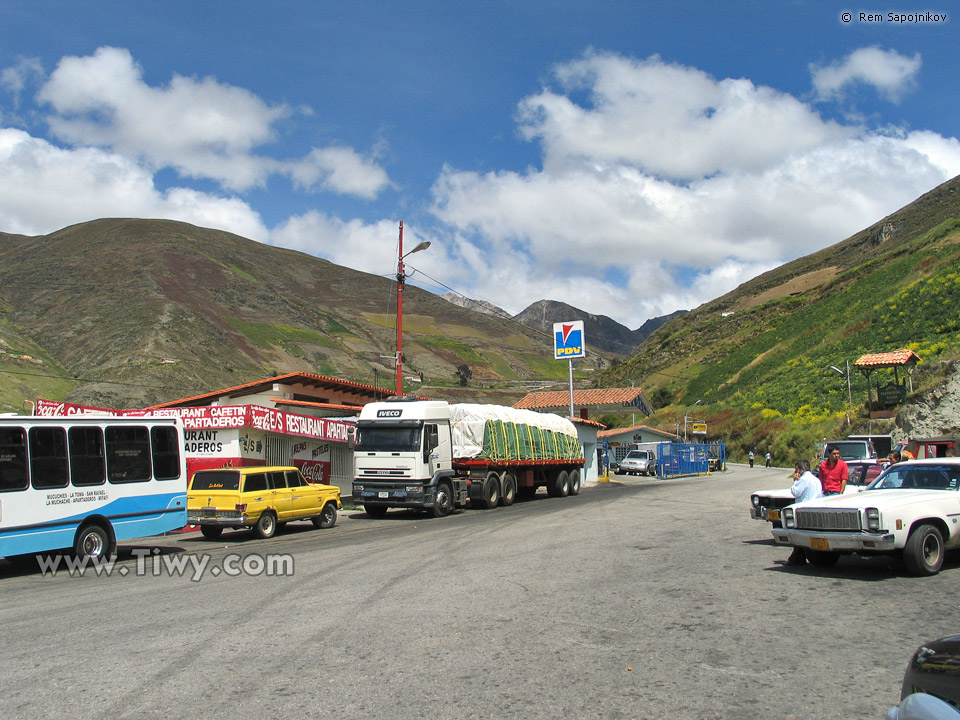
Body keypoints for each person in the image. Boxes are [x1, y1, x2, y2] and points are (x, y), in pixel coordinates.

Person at [785, 459, 823, 566]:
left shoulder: (804, 479)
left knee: (799, 535)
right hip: (814, 508)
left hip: (803, 508)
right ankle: (797, 557)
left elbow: (795, 492)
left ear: (803, 469)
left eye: (797, 470)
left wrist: (795, 481)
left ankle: (796, 559)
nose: (796, 472)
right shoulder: (816, 479)